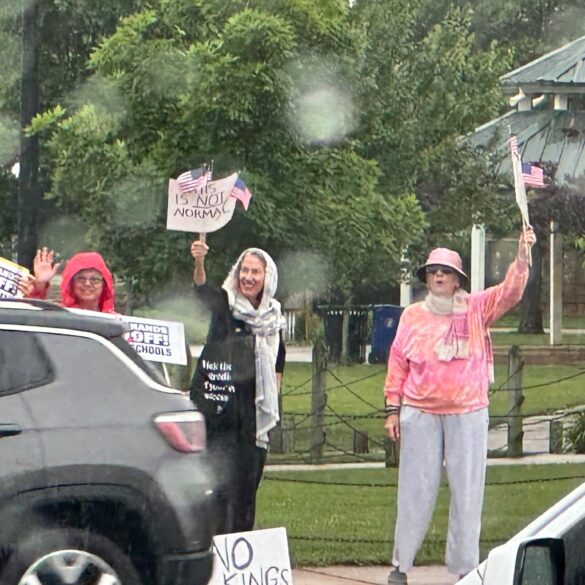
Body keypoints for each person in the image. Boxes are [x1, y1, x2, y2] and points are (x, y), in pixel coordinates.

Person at [384, 227, 536, 584]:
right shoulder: (412, 316)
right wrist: (392, 408)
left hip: (467, 411)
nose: (439, 276)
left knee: (468, 491)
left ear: (457, 280)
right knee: (414, 490)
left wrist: (522, 257)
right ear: (426, 277)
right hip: (420, 412)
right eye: (434, 271)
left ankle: (465, 568)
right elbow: (397, 362)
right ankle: (401, 565)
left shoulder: (477, 308)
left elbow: (510, 292)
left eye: (446, 272)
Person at [189, 239, 285, 534]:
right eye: (244, 270)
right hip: (220, 413)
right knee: (218, 490)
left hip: (253, 419)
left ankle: (241, 557)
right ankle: (214, 551)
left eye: (255, 272)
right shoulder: (225, 306)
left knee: (246, 490)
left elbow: (278, 367)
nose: (248, 277)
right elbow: (203, 291)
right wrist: (199, 262)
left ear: (266, 277)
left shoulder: (274, 319)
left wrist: (270, 407)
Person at [25, 247, 116, 313]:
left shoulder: (117, 322)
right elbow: (29, 317)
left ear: (104, 285)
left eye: (95, 279)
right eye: (81, 278)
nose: (87, 283)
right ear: (71, 283)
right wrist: (40, 286)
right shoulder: (58, 315)